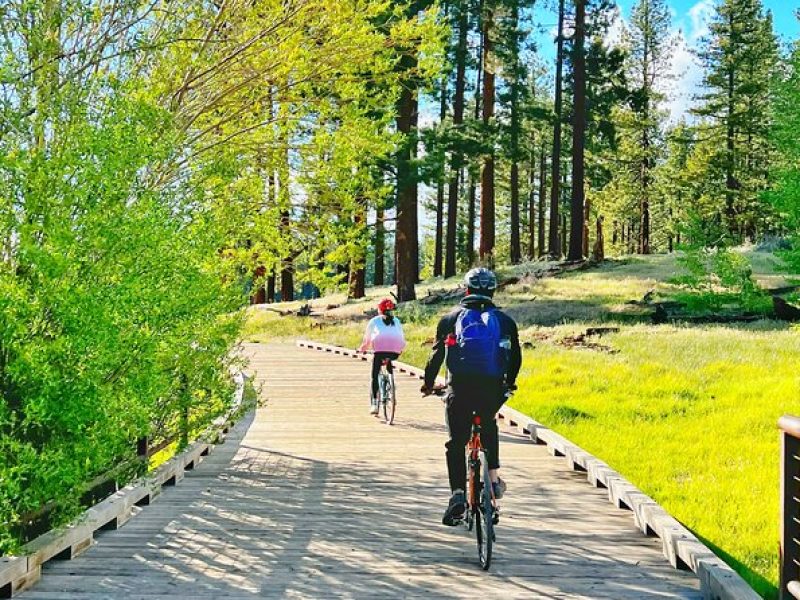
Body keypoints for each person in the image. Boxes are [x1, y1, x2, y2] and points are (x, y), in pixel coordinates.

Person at [420, 267, 521, 526]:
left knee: (456, 443)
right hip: (491, 387)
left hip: (460, 387)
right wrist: (508, 383)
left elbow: (435, 358)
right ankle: (494, 480)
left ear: (466, 289)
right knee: (488, 424)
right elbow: (515, 358)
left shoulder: (450, 319)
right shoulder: (505, 321)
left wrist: (429, 384)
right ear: (492, 290)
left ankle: (457, 495)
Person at [358, 298, 407, 415]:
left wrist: (362, 350)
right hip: (395, 351)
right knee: (389, 358)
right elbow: (401, 337)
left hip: (379, 351)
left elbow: (367, 340)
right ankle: (392, 387)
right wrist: (400, 350)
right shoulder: (397, 321)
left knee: (375, 375)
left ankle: (374, 403)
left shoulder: (374, 321)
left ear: (379, 310)